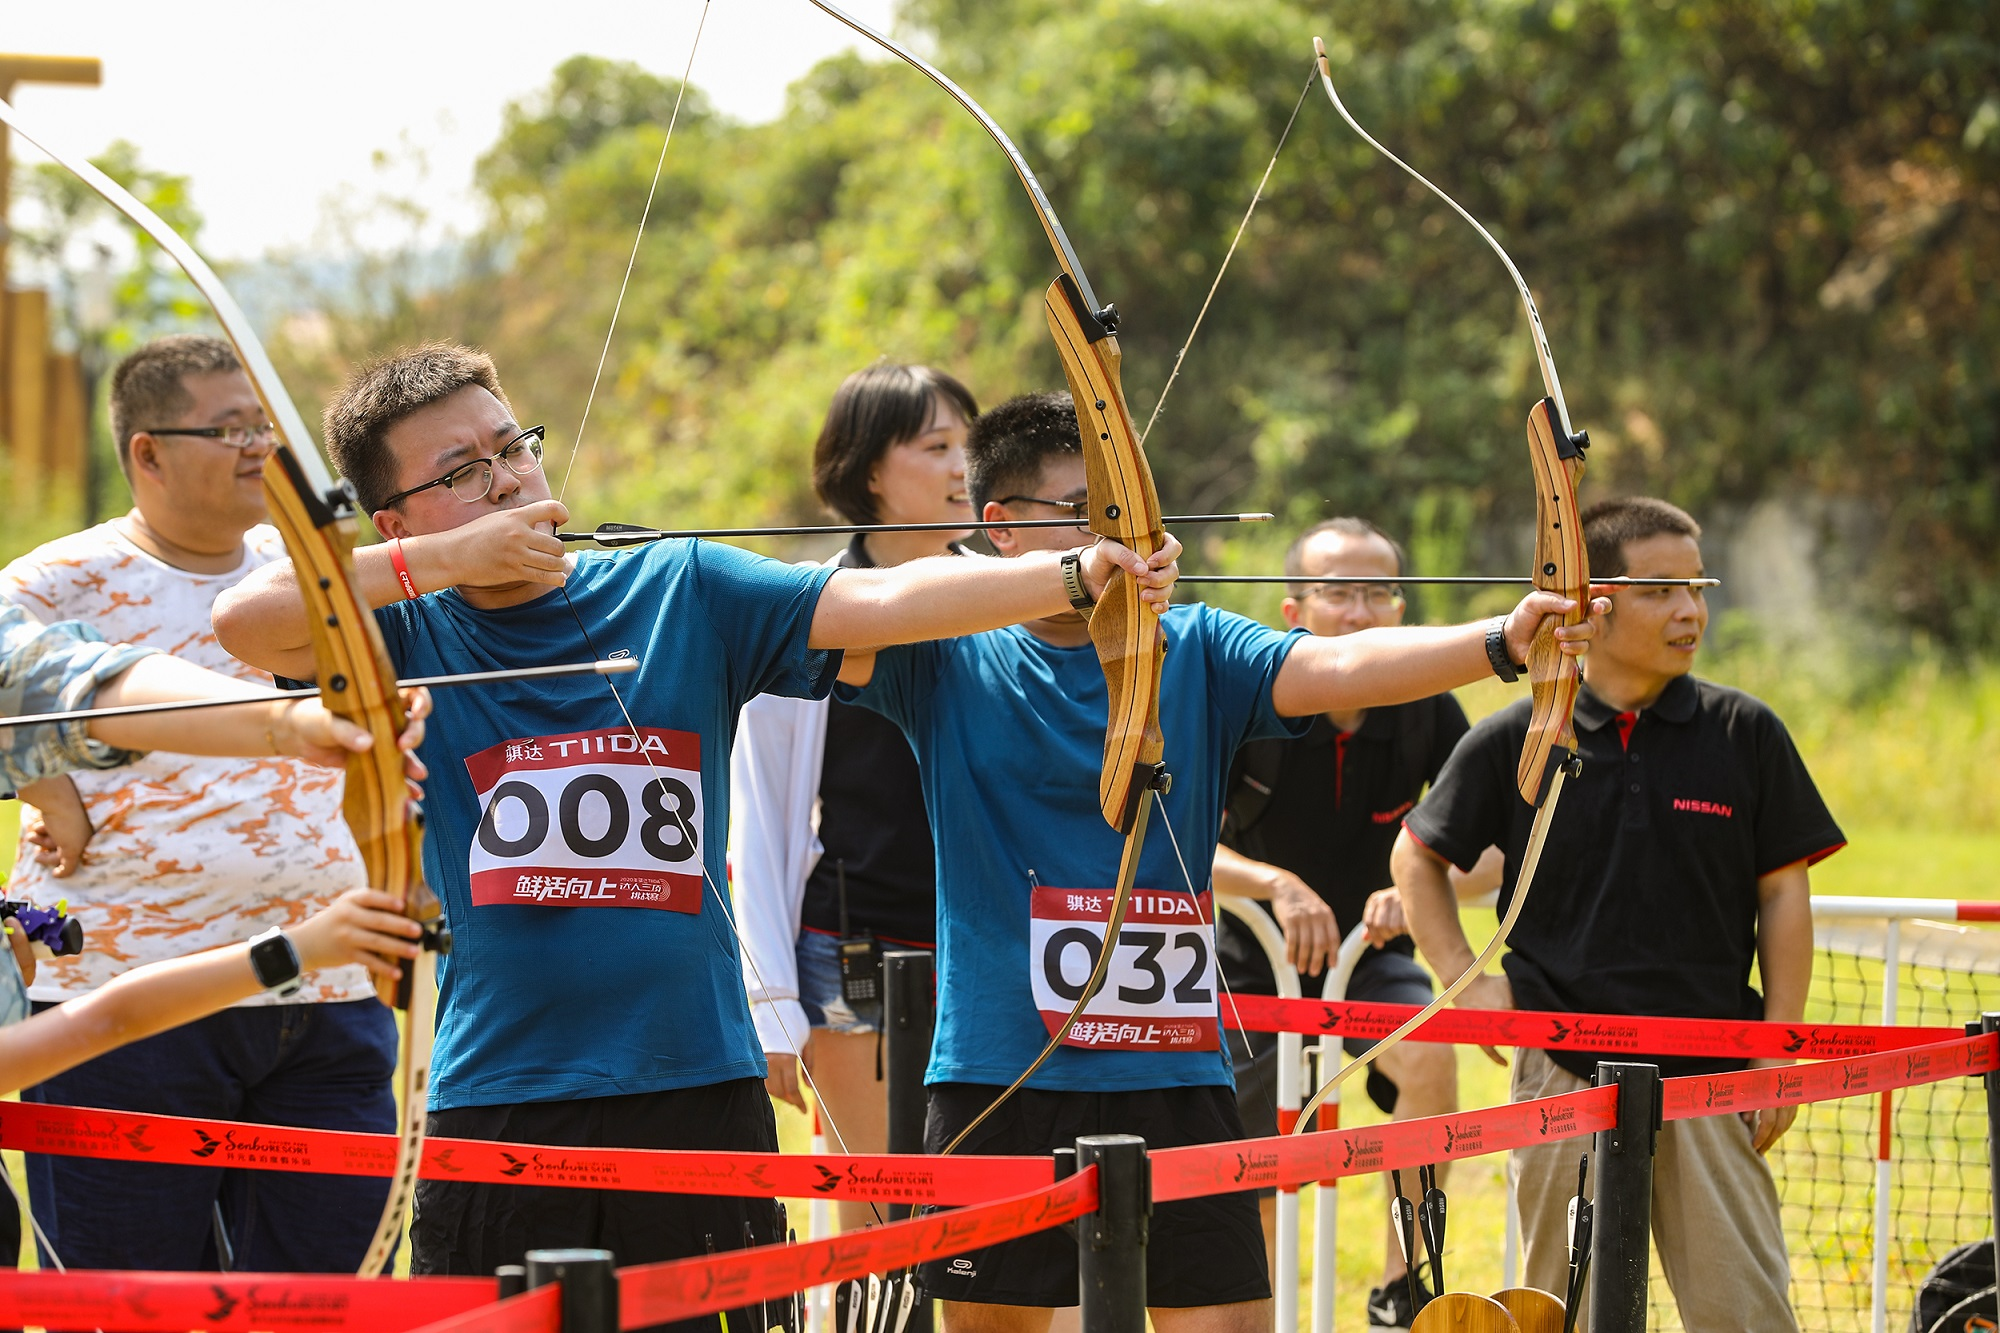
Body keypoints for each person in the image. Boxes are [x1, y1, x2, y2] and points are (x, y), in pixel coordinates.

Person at [210, 342, 1178, 1326]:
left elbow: (878, 603)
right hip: (502, 1086)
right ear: (393, 522)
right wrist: (448, 560)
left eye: (512, 447)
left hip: (695, 1084)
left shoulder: (677, 585)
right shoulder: (406, 633)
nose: (506, 479)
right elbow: (246, 619)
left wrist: (1072, 574)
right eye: (459, 474)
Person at [837, 391, 1601, 1333]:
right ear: (1000, 528)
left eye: (1130, 504)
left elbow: (1339, 667)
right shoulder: (944, 653)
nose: (1122, 530)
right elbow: (842, 611)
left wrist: (1498, 640)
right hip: (1004, 1065)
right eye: (1086, 508)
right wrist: (1065, 577)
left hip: (1173, 1067)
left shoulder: (1194, 644)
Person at [0, 334, 401, 1275]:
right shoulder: (47, 584)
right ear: (146, 450)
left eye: (265, 423)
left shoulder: (310, 571)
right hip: (116, 1006)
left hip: (330, 987)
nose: (259, 445)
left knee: (330, 1301)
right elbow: (17, 696)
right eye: (228, 428)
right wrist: (47, 787)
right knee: (132, 1300)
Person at [1392, 497, 1840, 1332]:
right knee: (1555, 1316)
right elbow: (1417, 855)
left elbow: (1784, 889)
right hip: (1561, 1069)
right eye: (1661, 590)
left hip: (1714, 1069)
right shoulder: (1520, 733)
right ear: (1591, 601)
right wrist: (1466, 981)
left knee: (1746, 1315)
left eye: (1697, 587)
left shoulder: (1745, 732)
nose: (1690, 611)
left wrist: (1779, 1047)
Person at [1211, 517, 1498, 1330]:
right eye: (1339, 591)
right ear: (1293, 607)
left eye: (1379, 591)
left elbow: (1497, 849)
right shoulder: (1247, 697)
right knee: (1254, 1154)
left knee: (1430, 1056)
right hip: (1246, 963)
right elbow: (1172, 845)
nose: (1360, 610)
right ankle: (1248, 1309)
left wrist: (1423, 887)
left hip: (1371, 958)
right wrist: (1275, 885)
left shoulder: (1425, 708)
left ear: (1403, 608)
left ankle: (1405, 1289)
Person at [733, 363, 976, 1235]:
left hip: (993, 950)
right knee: (881, 1232)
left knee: (1007, 1229)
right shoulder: (801, 610)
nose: (963, 469)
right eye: (936, 446)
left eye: (970, 448)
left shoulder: (1011, 598)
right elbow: (759, 818)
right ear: (871, 469)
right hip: (855, 950)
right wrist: (770, 1008)